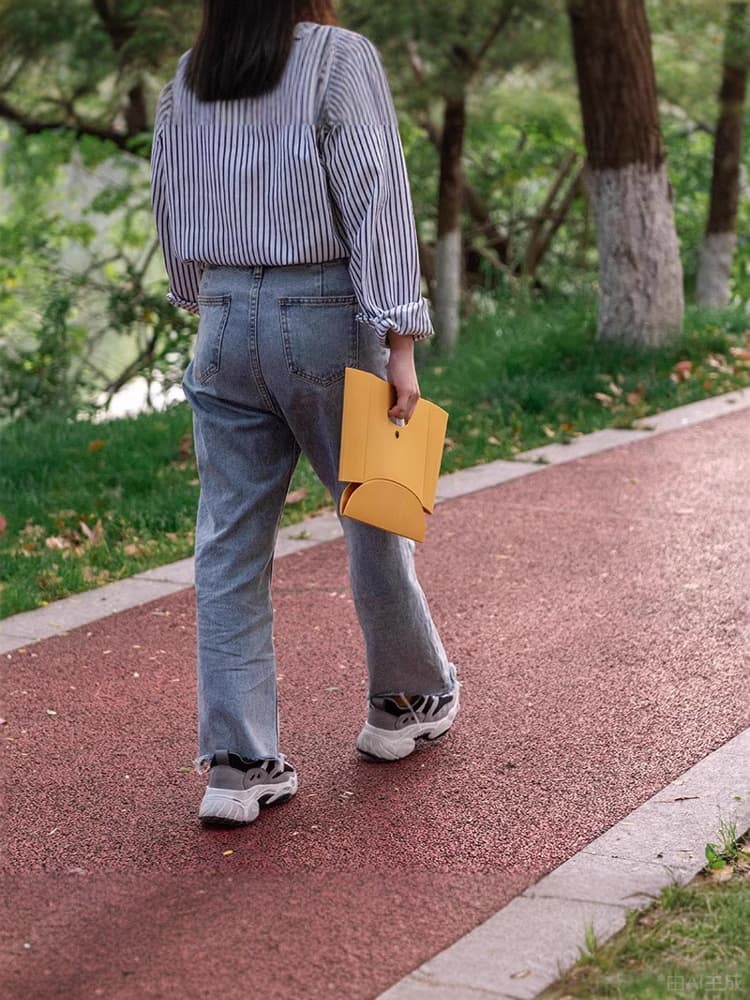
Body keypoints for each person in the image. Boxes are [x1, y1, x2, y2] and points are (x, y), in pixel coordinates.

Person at [150, 0, 459, 827]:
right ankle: (403, 702)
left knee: (226, 544)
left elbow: (170, 209)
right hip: (324, 309)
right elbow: (376, 195)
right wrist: (401, 338)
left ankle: (238, 765)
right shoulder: (337, 57)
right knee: (373, 512)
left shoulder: (189, 78)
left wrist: (213, 302)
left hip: (220, 313)